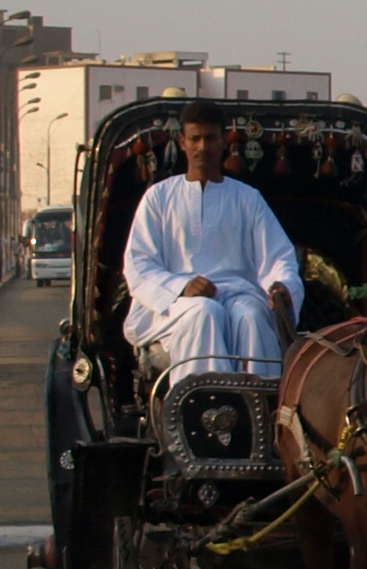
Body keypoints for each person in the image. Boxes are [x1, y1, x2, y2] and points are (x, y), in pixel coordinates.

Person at [121, 106, 302, 377]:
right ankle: (201, 409)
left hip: (238, 294)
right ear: (182, 142)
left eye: (210, 138)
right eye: (195, 139)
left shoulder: (247, 198)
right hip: (174, 304)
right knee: (204, 312)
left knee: (251, 316)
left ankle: (263, 408)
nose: (202, 146)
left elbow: (278, 257)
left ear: (223, 141)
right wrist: (181, 286)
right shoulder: (158, 198)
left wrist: (283, 286)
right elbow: (138, 264)